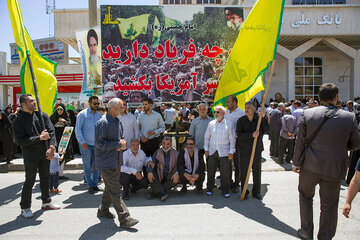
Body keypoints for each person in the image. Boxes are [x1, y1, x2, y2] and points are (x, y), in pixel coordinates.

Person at [292, 83, 360, 240]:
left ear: (319, 98)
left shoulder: (307, 114)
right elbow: (356, 144)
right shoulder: (349, 117)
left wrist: (296, 163)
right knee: (329, 205)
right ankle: (325, 237)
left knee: (305, 197)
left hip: (310, 166)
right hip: (334, 167)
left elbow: (299, 142)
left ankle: (306, 231)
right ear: (336, 98)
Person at [13, 94, 60, 218]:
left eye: (34, 100)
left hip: (45, 152)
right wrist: (39, 138)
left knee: (45, 178)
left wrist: (51, 148)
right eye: (31, 101)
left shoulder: (42, 115)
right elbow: (20, 141)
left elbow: (51, 132)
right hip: (30, 154)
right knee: (30, 180)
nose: (34, 102)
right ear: (23, 104)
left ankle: (46, 201)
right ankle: (25, 206)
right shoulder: (18, 120)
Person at [94, 98, 139, 228]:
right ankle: (125, 218)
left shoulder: (117, 121)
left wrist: (122, 142)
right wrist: (118, 144)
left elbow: (120, 138)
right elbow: (100, 144)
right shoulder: (102, 123)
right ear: (113, 108)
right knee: (115, 191)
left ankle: (103, 210)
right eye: (121, 107)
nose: (123, 109)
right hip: (106, 162)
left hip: (116, 160)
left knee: (110, 187)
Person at [236, 101, 268, 200]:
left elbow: (267, 129)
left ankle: (256, 191)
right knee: (244, 172)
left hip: (256, 150)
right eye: (245, 107)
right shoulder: (241, 120)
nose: (246, 109)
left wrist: (263, 118)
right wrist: (251, 135)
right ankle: (244, 191)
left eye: (248, 107)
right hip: (244, 150)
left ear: (254, 109)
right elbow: (239, 135)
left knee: (257, 172)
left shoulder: (259, 120)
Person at [204, 106, 235, 198]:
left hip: (224, 152)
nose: (216, 114)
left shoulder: (229, 124)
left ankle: (225, 190)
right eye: (215, 112)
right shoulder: (211, 124)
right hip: (212, 151)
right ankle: (209, 188)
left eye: (218, 112)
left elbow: (232, 139)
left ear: (223, 113)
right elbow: (207, 137)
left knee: (225, 173)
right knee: (211, 171)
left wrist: (231, 151)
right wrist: (206, 149)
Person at [76, 96, 102, 194]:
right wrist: (82, 142)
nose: (96, 105)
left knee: (97, 166)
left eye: (97, 104)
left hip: (97, 145)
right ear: (89, 103)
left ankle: (95, 184)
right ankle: (90, 185)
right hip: (86, 145)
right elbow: (78, 129)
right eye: (94, 103)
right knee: (87, 166)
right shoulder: (82, 114)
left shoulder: (99, 115)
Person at [146, 137, 179, 202]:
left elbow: (181, 166)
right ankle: (162, 193)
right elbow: (151, 163)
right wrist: (149, 172)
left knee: (178, 177)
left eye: (168, 144)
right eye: (164, 143)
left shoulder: (176, 153)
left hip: (170, 176)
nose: (165, 146)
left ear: (171, 144)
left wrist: (177, 173)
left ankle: (155, 192)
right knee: (151, 175)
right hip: (159, 175)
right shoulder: (157, 152)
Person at [225, 95, 245, 193]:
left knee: (237, 164)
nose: (226, 104)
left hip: (238, 142)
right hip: (227, 143)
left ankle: (237, 184)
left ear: (234, 102)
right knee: (227, 164)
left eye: (228, 102)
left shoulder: (241, 113)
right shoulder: (225, 113)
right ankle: (228, 183)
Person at [50, 103, 73, 179]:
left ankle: (60, 173)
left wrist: (65, 122)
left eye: (61, 109)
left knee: (63, 156)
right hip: (55, 139)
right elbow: (49, 127)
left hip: (64, 139)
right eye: (58, 109)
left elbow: (70, 126)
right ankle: (54, 173)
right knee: (55, 156)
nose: (59, 111)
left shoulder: (66, 117)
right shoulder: (53, 117)